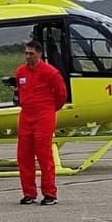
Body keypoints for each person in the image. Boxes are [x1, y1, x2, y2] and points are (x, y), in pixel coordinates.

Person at [13, 40, 67, 205]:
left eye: (31, 54)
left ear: (39, 54)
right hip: (26, 115)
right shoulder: (20, 72)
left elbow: (61, 95)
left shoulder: (51, 73)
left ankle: (50, 193)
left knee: (44, 154)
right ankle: (29, 193)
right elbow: (19, 91)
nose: (28, 57)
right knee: (24, 155)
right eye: (26, 53)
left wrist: (50, 109)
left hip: (44, 115)